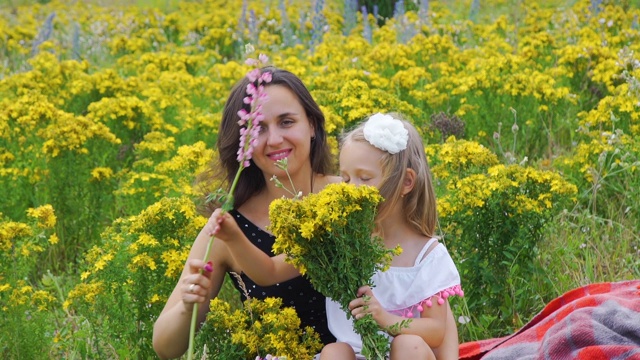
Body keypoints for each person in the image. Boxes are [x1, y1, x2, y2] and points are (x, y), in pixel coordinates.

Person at [209, 112, 463, 360]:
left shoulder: (425, 254)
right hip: (358, 353)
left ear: (407, 182)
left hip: (409, 354)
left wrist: (385, 320)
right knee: (335, 351)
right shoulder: (336, 239)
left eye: (364, 179)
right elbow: (269, 272)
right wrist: (234, 237)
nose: (351, 189)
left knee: (409, 345)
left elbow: (436, 332)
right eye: (345, 178)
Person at [152, 66, 340, 359]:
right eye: (258, 129)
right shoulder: (228, 229)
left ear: (312, 125)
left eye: (286, 122)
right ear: (243, 144)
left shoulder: (349, 198)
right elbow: (165, 346)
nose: (275, 139)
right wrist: (188, 305)